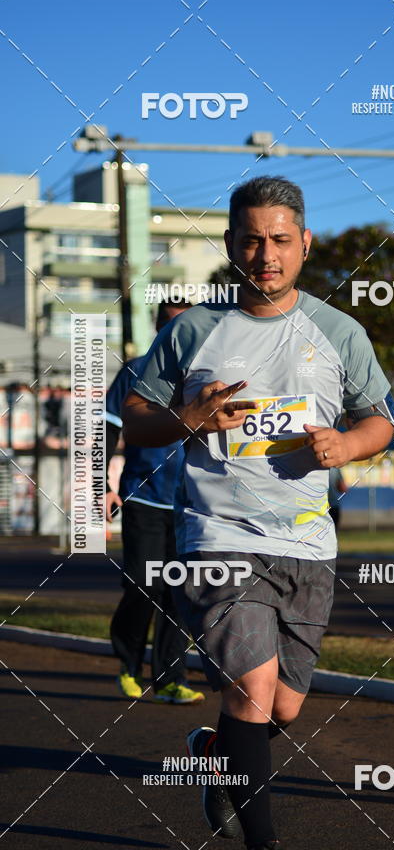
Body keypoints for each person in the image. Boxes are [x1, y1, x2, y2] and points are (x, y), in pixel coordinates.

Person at [121, 176, 394, 850]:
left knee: (283, 707)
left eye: (279, 239)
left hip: (306, 544)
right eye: (251, 239)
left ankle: (217, 752)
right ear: (229, 245)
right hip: (217, 537)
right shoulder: (192, 330)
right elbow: (136, 413)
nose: (265, 254)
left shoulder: (340, 333)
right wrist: (186, 418)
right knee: (252, 685)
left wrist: (346, 445)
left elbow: (380, 420)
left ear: (303, 243)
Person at [105, 299, 204, 705]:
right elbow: (109, 427)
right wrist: (102, 485)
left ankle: (169, 678)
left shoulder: (206, 374)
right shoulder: (135, 370)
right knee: (144, 585)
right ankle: (128, 666)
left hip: (191, 503)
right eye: (170, 324)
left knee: (177, 593)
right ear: (158, 328)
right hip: (143, 498)